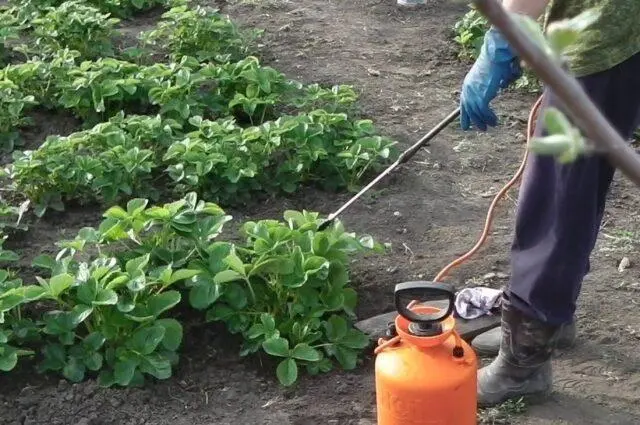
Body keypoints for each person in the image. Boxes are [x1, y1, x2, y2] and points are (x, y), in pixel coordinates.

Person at [459, 0, 640, 407]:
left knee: (556, 199)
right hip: (610, 34)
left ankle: (525, 363)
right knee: (575, 187)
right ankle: (552, 321)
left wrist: (504, 34)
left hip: (600, 45)